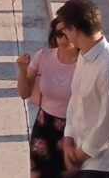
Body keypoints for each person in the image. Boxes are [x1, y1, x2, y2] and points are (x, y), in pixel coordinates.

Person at [56, 0, 109, 175]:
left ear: (75, 30)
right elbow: (75, 101)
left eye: (65, 30)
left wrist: (77, 156)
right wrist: (69, 141)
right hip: (88, 162)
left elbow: (108, 127)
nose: (65, 36)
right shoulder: (85, 57)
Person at [16, 18, 79, 178]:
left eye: (67, 33)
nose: (63, 38)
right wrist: (23, 71)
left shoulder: (86, 64)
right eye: (59, 33)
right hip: (44, 126)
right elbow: (24, 93)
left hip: (73, 130)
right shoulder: (44, 56)